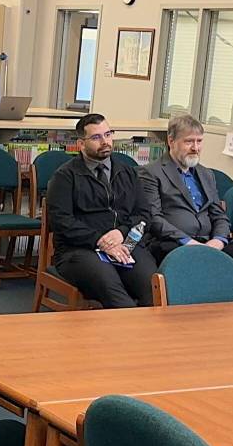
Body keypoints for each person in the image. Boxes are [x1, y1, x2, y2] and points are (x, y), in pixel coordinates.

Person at [142, 115, 233, 298]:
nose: (195, 148)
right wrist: (189, 243)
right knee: (199, 268)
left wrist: (218, 240)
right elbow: (154, 219)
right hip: (173, 243)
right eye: (189, 141)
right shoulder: (150, 172)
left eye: (199, 141)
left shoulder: (206, 174)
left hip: (210, 242)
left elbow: (218, 214)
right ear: (171, 141)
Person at [46, 113, 157, 308]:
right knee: (112, 288)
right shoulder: (65, 176)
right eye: (96, 137)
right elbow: (62, 222)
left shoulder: (128, 172)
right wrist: (101, 240)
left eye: (108, 134)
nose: (105, 141)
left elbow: (144, 214)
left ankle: (146, 335)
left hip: (126, 243)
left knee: (152, 286)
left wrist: (121, 233)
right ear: (81, 144)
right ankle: (126, 334)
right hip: (79, 250)